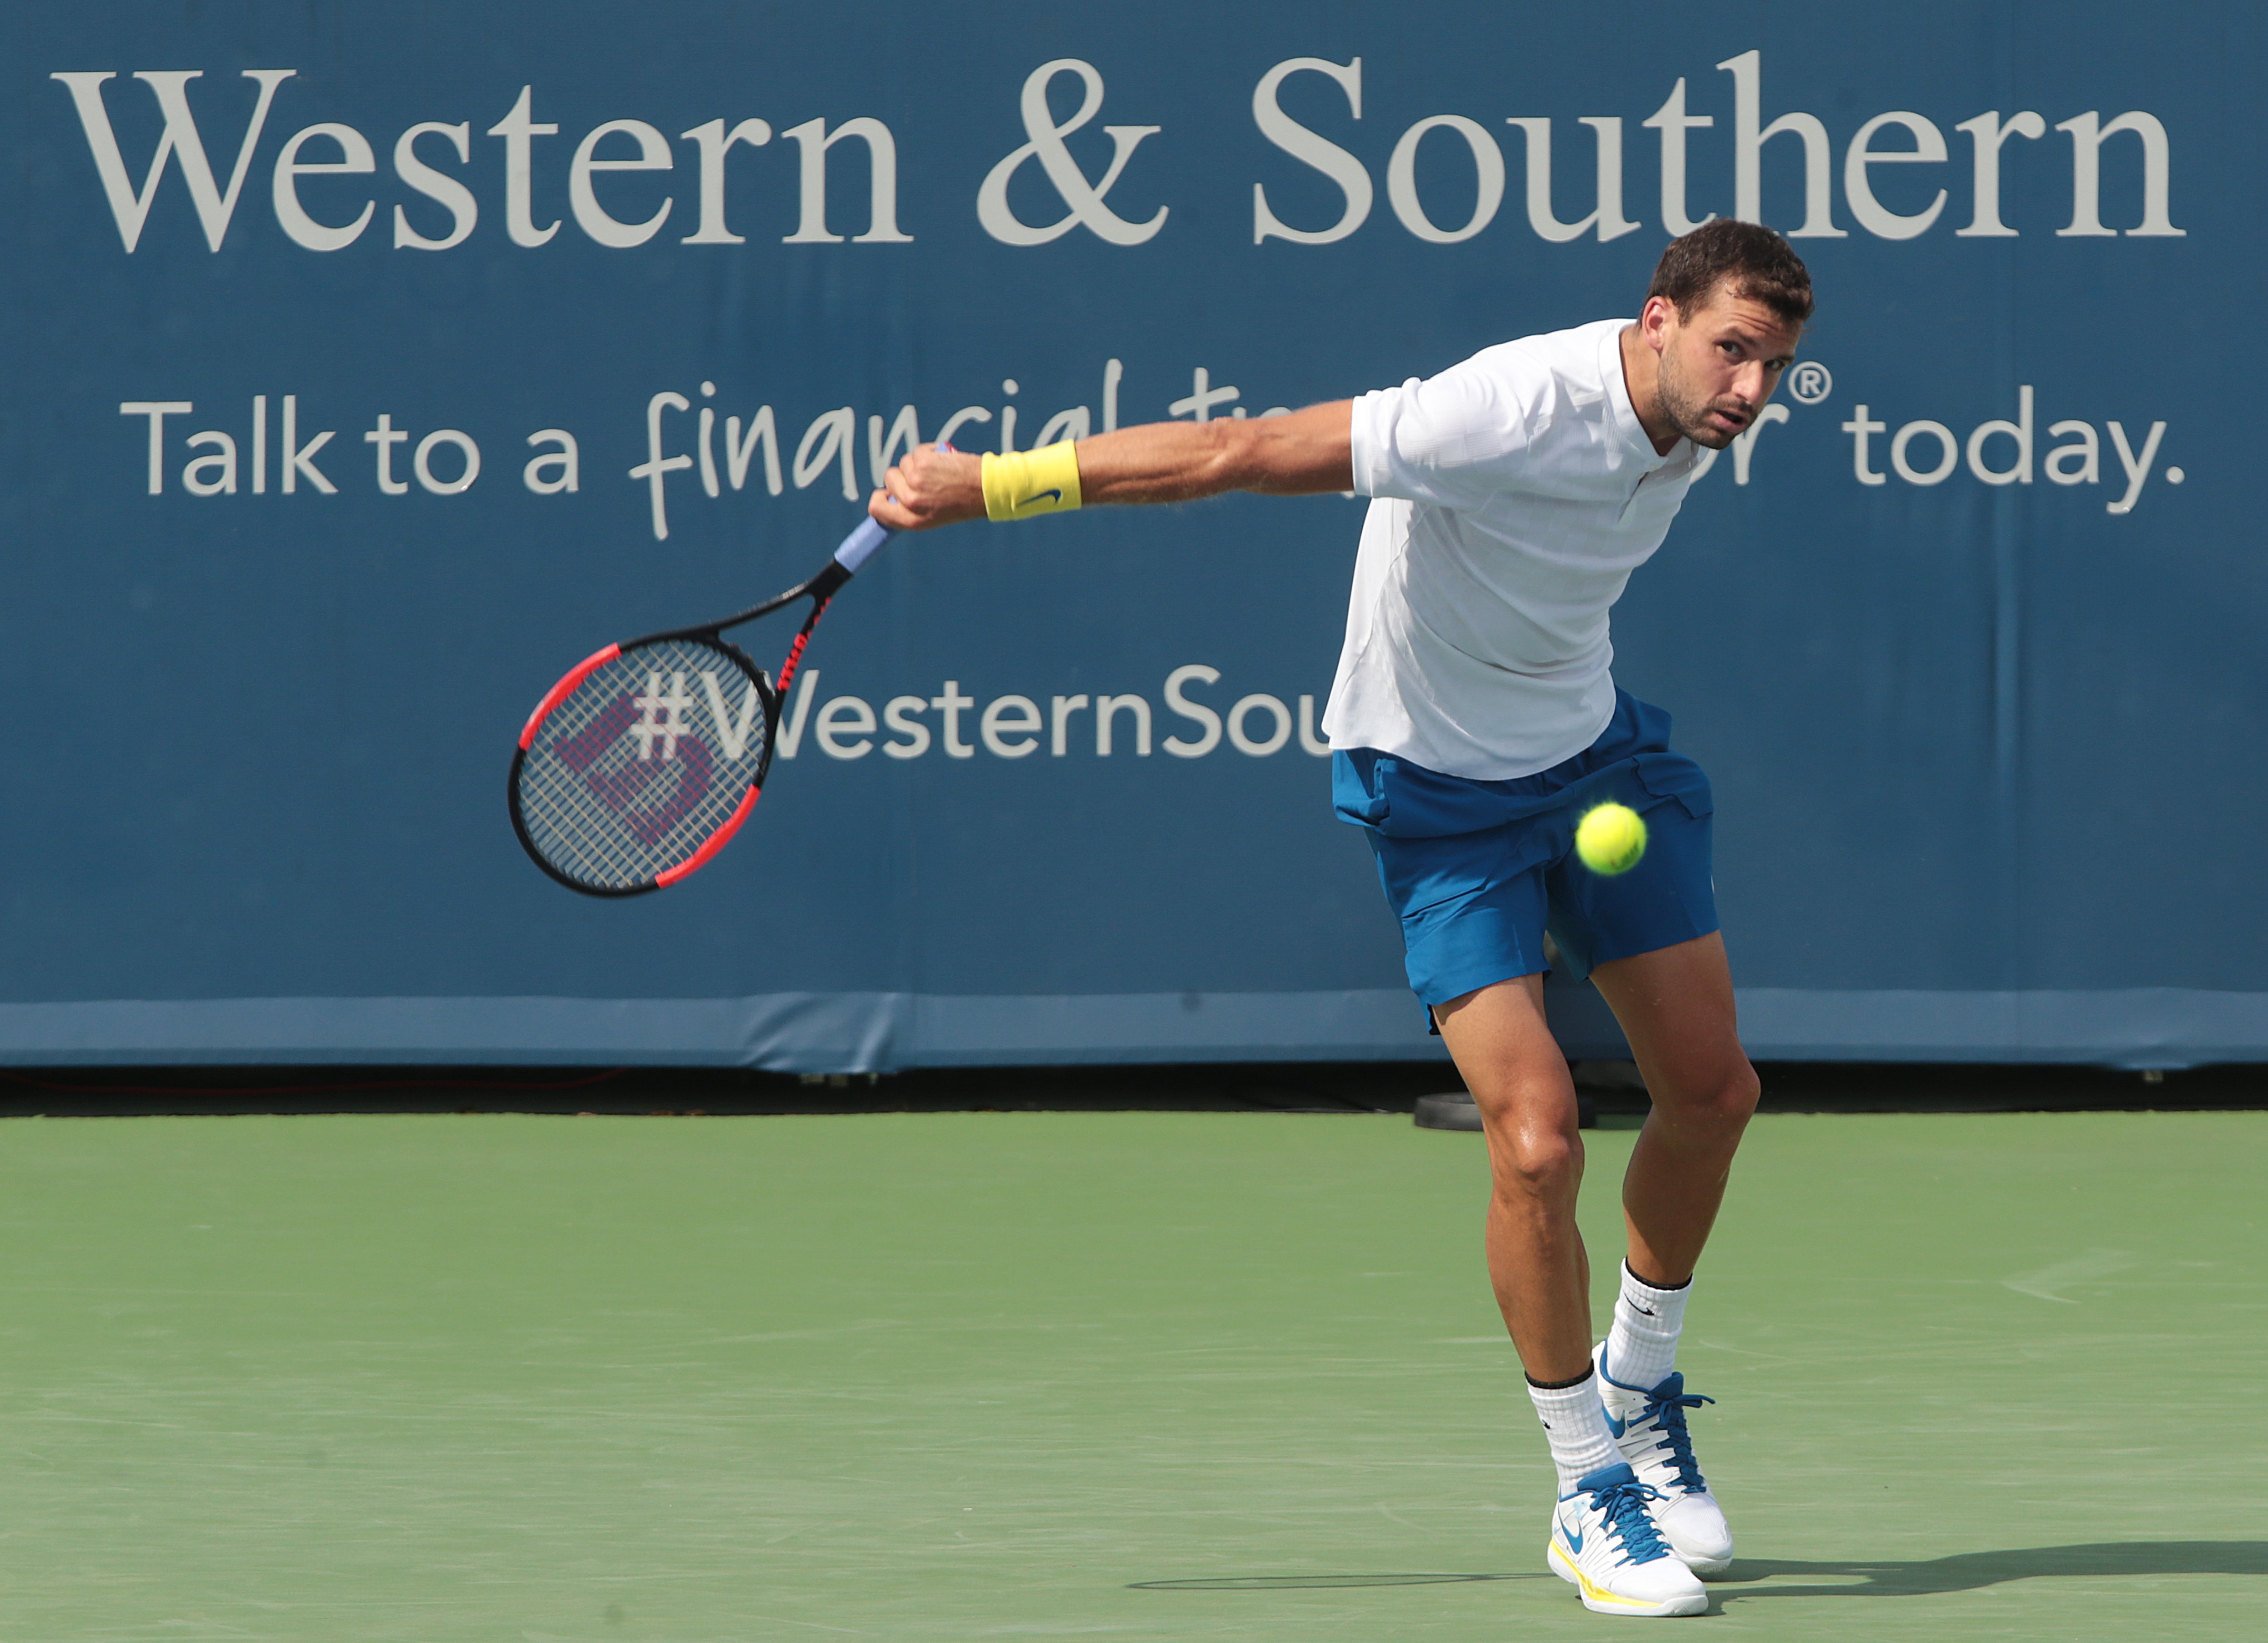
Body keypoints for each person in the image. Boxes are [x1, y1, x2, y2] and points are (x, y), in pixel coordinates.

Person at [870, 219, 1812, 1620]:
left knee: (1715, 1091)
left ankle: (1642, 1381)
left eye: (1775, 367)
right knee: (1538, 1139)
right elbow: (1239, 452)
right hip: (1440, 802)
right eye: (1732, 349)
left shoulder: (1693, 425)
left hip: (1596, 763)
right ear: (1657, 317)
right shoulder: (1500, 410)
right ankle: (1584, 1485)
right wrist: (991, 486)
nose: (1748, 389)